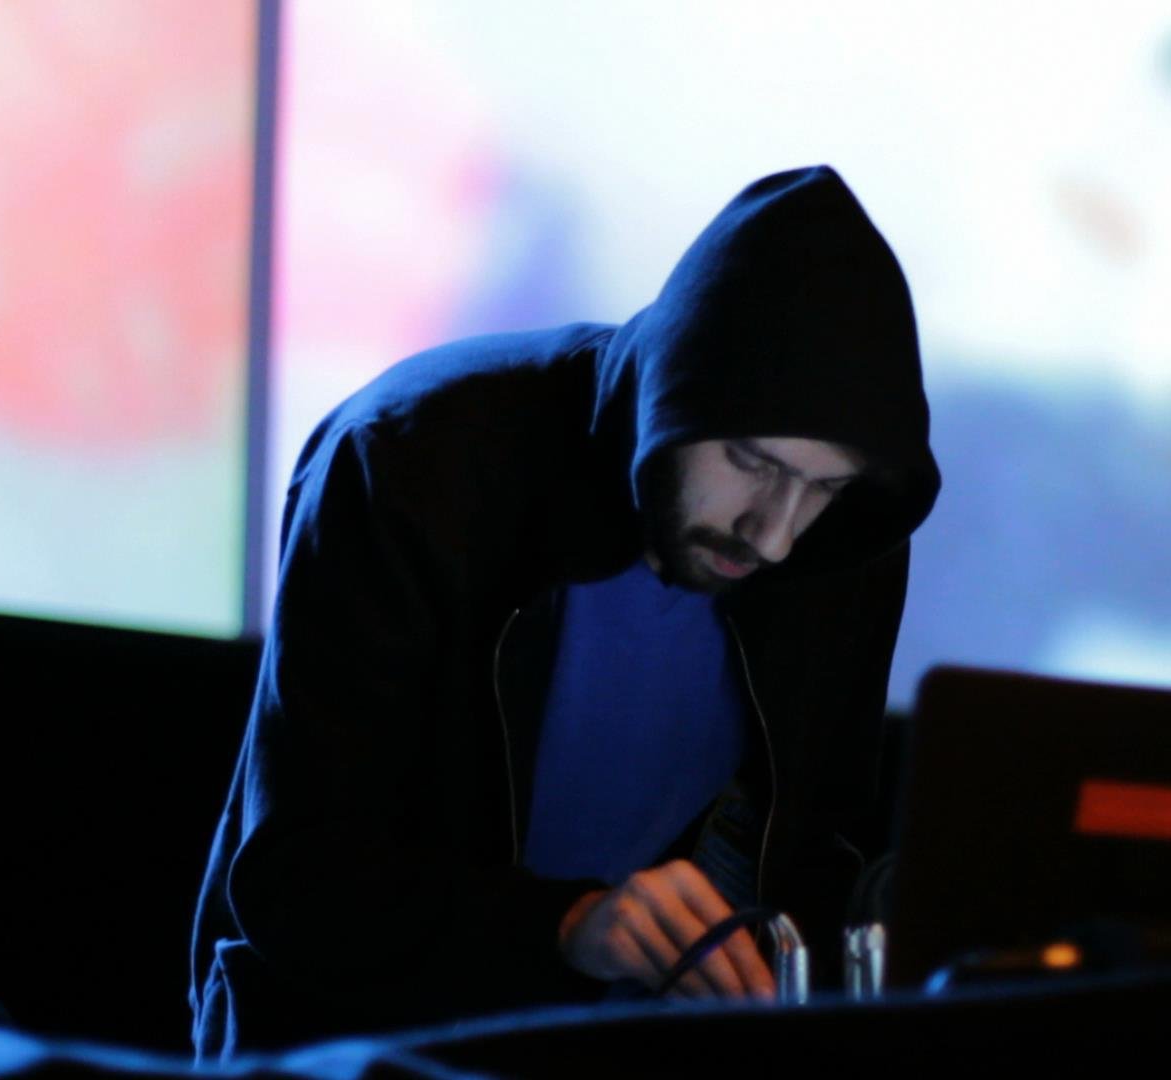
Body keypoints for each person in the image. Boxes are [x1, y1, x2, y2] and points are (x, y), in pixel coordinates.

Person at [189, 165, 940, 1058]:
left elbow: (813, 854)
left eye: (823, 487)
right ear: (673, 396)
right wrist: (569, 925)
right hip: (352, 1047)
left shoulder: (841, 540)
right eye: (752, 462)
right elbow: (300, 885)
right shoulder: (411, 458)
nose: (776, 534)